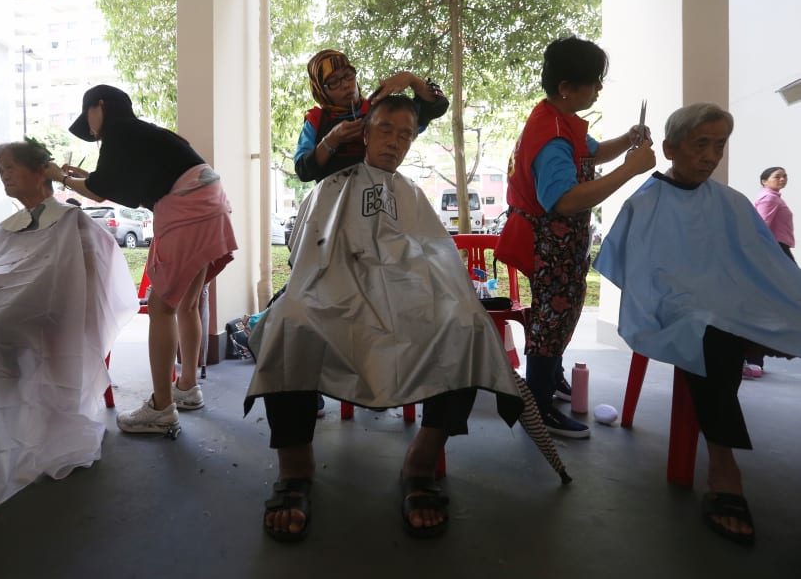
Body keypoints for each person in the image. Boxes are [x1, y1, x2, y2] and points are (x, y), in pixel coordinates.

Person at [245, 95, 525, 541]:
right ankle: (295, 470)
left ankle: (420, 462)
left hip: (409, 299)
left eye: (405, 135)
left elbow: (434, 257)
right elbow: (309, 258)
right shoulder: (331, 188)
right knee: (289, 322)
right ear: (365, 131)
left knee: (467, 325)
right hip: (333, 296)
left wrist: (430, 295)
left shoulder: (411, 194)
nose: (395, 141)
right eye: (386, 129)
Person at [593, 103, 801, 546]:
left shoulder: (731, 202)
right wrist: (689, 293)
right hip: (670, 307)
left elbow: (763, 263)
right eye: (700, 145)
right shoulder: (646, 201)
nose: (710, 156)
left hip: (728, 302)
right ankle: (724, 468)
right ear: (669, 148)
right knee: (709, 332)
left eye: (719, 146)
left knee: (754, 318)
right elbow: (634, 271)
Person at [44, 84, 237, 435]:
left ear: (99, 106)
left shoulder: (118, 131)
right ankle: (187, 388)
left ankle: (162, 408)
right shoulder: (144, 133)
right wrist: (81, 177)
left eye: (90, 123)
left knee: (162, 307)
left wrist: (60, 177)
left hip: (186, 208)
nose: (93, 132)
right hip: (211, 201)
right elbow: (121, 186)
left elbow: (101, 193)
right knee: (188, 305)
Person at [500, 35, 656, 438]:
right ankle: (537, 401)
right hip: (548, 243)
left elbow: (590, 152)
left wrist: (628, 141)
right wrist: (630, 169)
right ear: (567, 88)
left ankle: (550, 377)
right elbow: (565, 201)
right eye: (593, 82)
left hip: (561, 244)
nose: (599, 89)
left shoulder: (559, 119)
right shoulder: (551, 135)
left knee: (562, 313)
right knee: (552, 317)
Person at [0, 140, 139, 510]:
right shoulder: (10, 226)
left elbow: (91, 280)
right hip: (14, 307)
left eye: (11, 167)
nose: (4, 175)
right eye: (0, 170)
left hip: (48, 316)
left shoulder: (71, 220)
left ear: (40, 171)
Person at [293, 48, 449, 183]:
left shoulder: (378, 109)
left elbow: (437, 107)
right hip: (334, 210)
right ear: (320, 90)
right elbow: (303, 171)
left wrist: (412, 79)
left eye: (348, 75)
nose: (346, 84)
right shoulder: (316, 121)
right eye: (334, 82)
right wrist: (332, 140)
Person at [742, 167, 797, 377]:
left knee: (770, 306)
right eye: (777, 176)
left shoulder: (772, 197)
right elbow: (760, 229)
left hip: (777, 252)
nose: (782, 179)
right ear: (764, 181)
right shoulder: (770, 199)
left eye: (785, 175)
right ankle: (753, 359)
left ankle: (754, 359)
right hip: (776, 253)